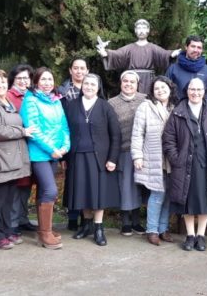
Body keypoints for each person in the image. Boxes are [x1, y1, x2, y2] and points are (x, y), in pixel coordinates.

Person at [162, 77, 207, 252]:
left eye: (199, 90)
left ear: (204, 92)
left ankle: (201, 236)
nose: (195, 93)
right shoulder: (178, 112)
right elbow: (168, 139)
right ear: (187, 91)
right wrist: (176, 159)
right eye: (192, 89)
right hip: (185, 165)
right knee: (187, 201)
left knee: (205, 201)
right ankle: (190, 236)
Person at [0, 69, 35, 250]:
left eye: (3, 82)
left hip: (13, 161)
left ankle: (6, 231)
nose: (0, 86)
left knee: (8, 200)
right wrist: (22, 132)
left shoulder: (7, 101)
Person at [64, 74, 122, 246]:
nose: (89, 86)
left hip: (100, 158)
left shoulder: (106, 107)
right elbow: (66, 132)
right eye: (86, 83)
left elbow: (116, 135)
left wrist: (112, 158)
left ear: (98, 87)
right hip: (77, 156)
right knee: (82, 192)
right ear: (82, 86)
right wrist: (66, 157)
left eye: (93, 84)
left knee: (98, 194)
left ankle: (98, 228)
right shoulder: (71, 106)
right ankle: (87, 224)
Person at [20, 67, 70, 250]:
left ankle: (43, 231)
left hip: (55, 153)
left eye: (50, 79)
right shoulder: (30, 100)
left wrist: (65, 146)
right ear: (36, 81)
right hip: (40, 154)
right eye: (43, 80)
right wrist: (52, 149)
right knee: (50, 191)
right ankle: (45, 233)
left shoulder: (55, 100)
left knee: (44, 191)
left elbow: (64, 126)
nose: (47, 83)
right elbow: (33, 129)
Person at [56, 57, 102, 231]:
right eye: (76, 68)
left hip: (89, 145)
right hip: (71, 144)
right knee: (73, 183)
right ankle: (73, 217)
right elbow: (63, 125)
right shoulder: (62, 92)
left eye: (83, 68)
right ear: (70, 70)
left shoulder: (94, 90)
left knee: (87, 183)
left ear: (87, 71)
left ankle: (87, 221)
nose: (79, 71)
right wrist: (64, 153)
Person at [131, 76, 177, 246]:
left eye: (163, 87)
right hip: (152, 156)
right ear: (152, 91)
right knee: (157, 193)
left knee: (168, 195)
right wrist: (137, 156)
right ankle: (152, 230)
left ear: (170, 88)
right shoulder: (145, 106)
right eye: (156, 88)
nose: (160, 90)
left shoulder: (175, 107)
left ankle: (163, 228)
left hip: (171, 158)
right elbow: (137, 133)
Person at [108, 70, 148, 236]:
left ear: (137, 84)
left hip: (143, 151)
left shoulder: (145, 99)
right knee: (125, 187)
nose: (129, 84)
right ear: (121, 83)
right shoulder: (112, 102)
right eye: (125, 81)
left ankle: (137, 222)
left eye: (132, 82)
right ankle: (125, 222)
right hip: (123, 150)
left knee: (139, 185)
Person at [96, 19, 181, 95]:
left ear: (148, 30)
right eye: (139, 28)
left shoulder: (152, 48)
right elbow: (118, 54)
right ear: (135, 30)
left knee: (148, 100)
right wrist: (106, 54)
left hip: (148, 80)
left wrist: (171, 54)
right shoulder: (129, 48)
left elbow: (163, 54)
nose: (141, 31)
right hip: (132, 79)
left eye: (144, 28)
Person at [6, 64, 39, 234]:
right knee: (16, 186)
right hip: (15, 147)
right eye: (19, 78)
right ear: (13, 80)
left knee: (26, 184)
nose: (23, 81)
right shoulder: (8, 97)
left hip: (31, 147)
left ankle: (22, 218)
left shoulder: (32, 95)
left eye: (26, 78)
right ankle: (12, 223)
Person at [165, 35, 207, 104]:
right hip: (178, 112)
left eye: (199, 47)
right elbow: (165, 90)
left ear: (202, 50)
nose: (196, 50)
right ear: (186, 47)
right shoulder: (173, 69)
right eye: (193, 46)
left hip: (201, 113)